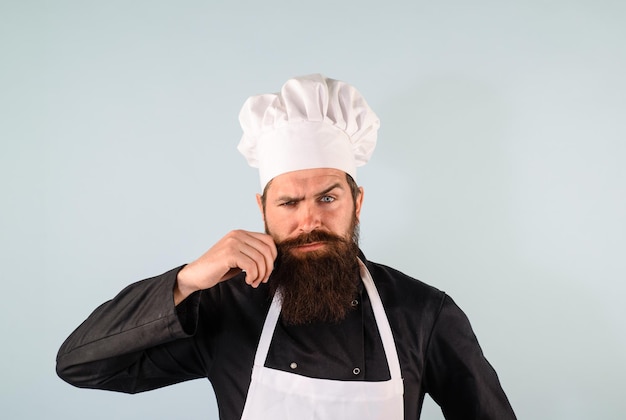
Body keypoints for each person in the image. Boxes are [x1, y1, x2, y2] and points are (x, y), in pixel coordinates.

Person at [56, 74, 516, 420]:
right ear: (262, 208)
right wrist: (186, 281)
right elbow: (81, 365)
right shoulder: (225, 307)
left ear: (357, 201)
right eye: (289, 202)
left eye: (328, 198)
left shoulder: (423, 313)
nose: (309, 220)